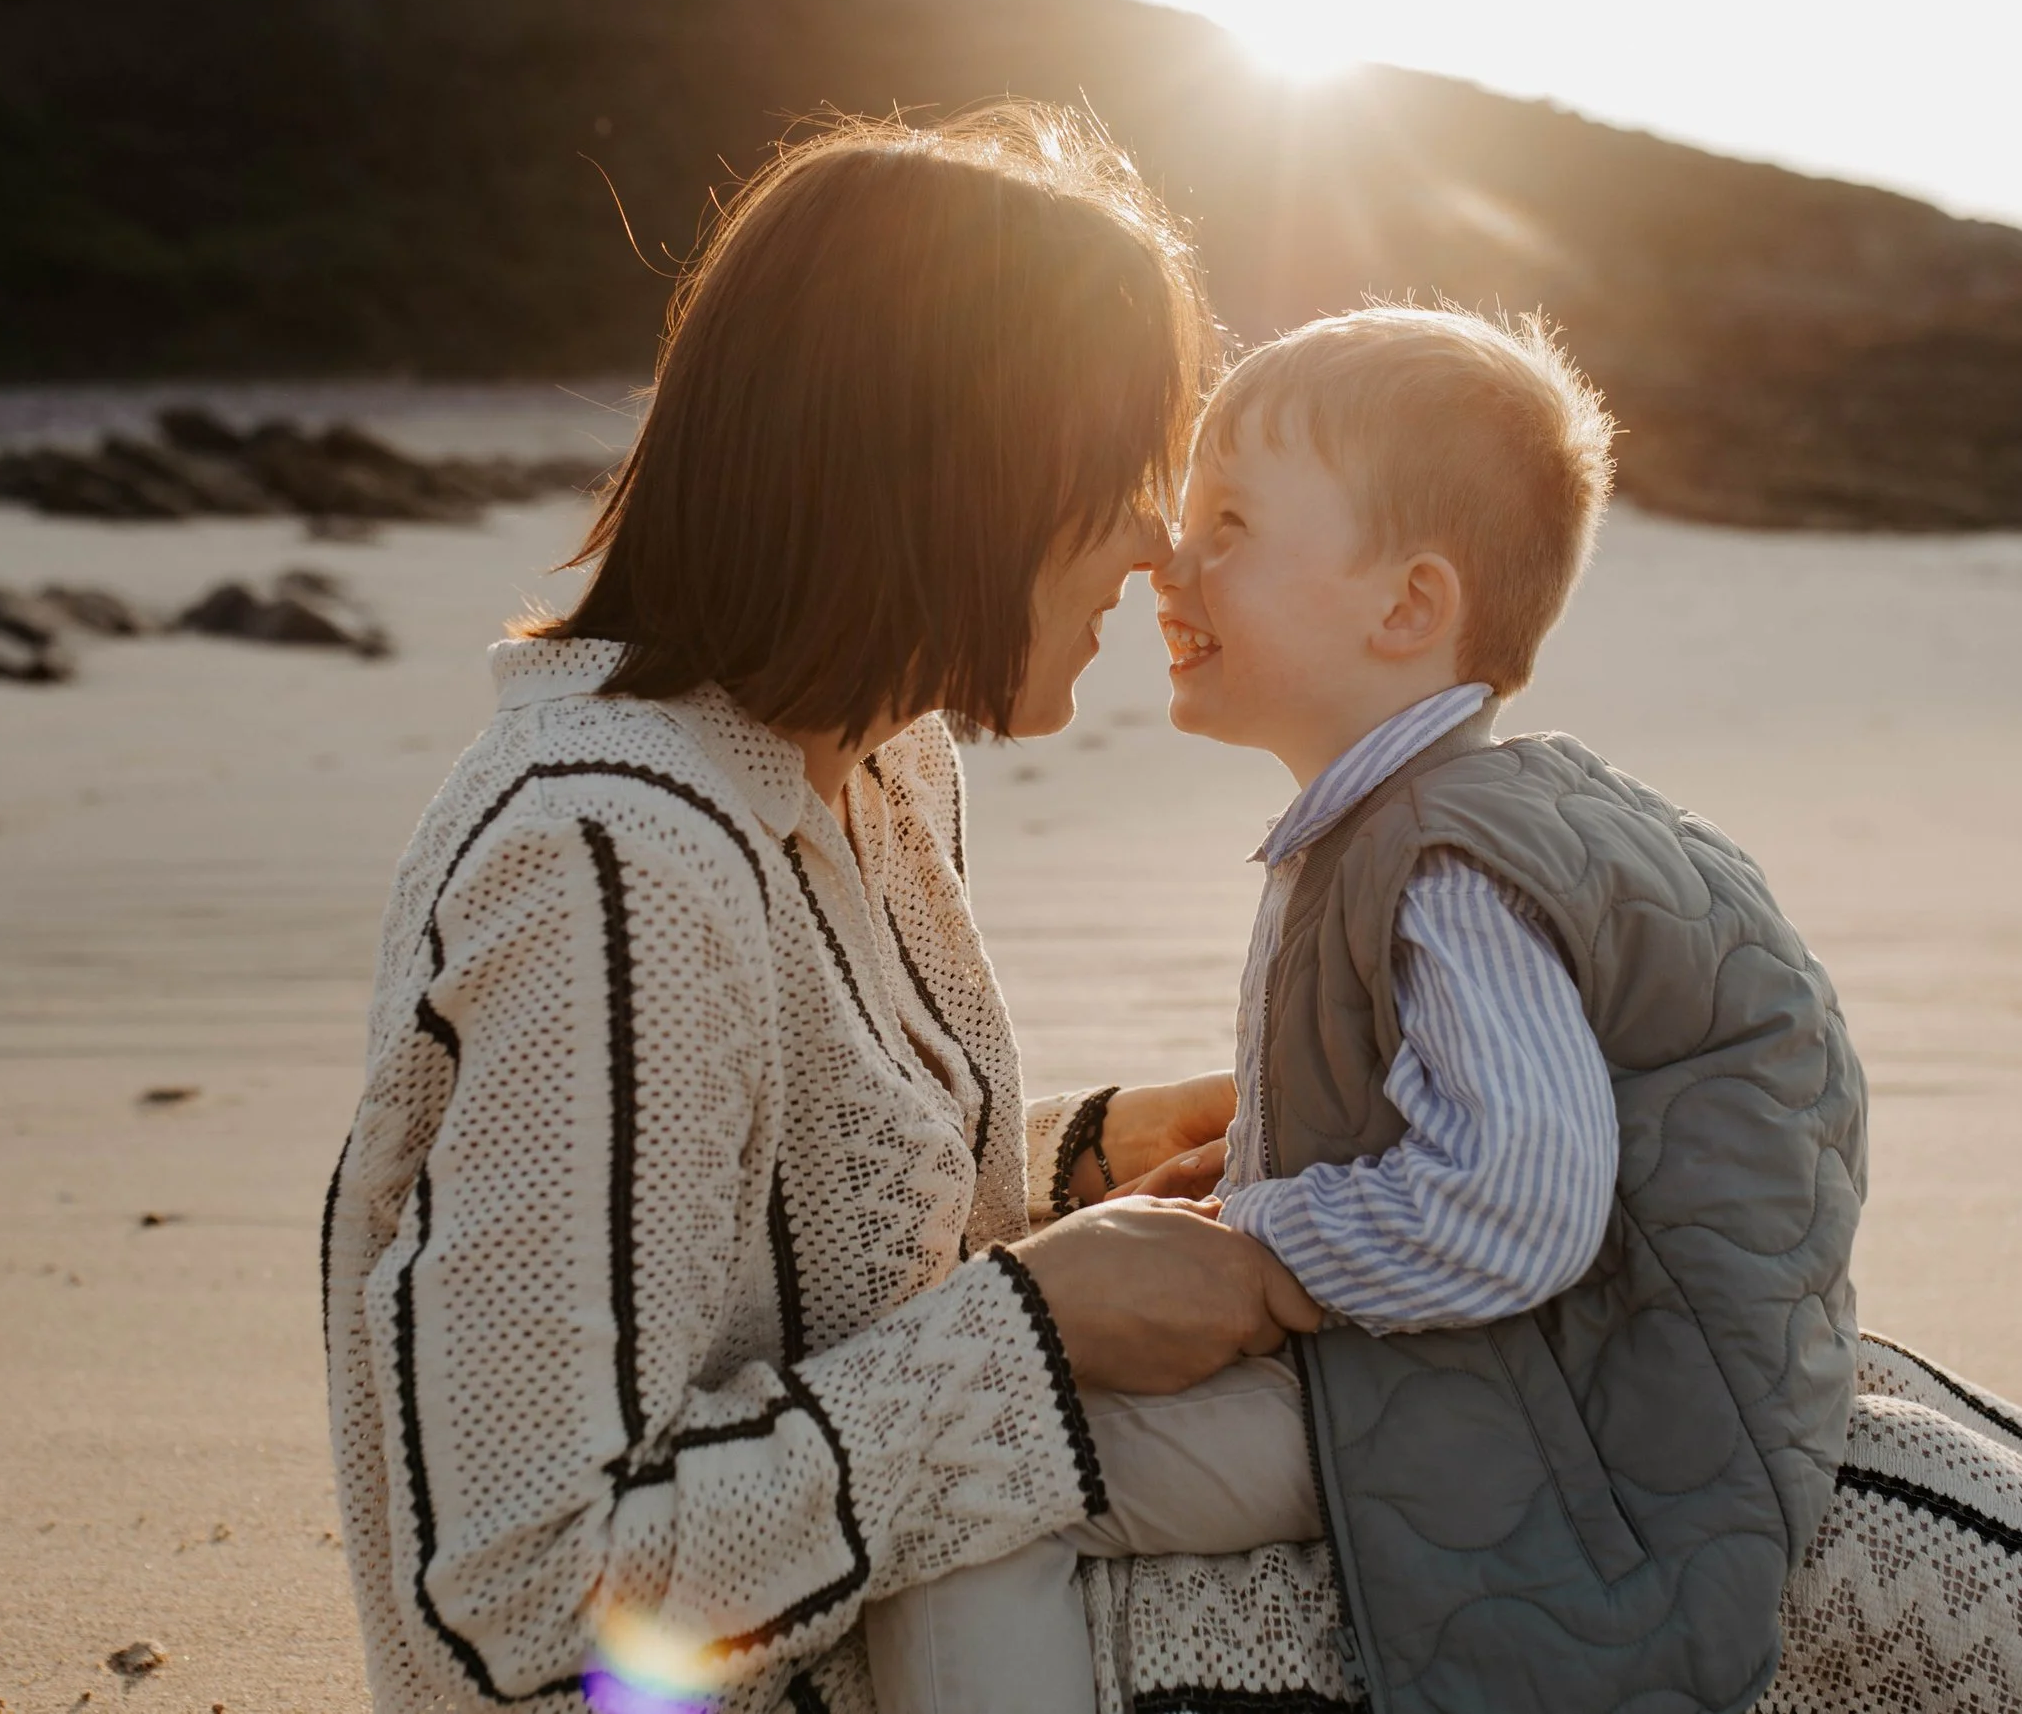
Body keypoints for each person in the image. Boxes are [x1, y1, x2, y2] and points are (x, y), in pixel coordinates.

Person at [869, 306, 2022, 1714]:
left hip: (1510, 1406)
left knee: (967, 1486)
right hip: (1462, 1365)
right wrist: (1251, 1184)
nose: (1168, 567)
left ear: (1410, 605)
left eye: (1231, 528)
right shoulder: (1396, 827)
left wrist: (1261, 1263)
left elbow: (1517, 1203)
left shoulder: (1446, 862)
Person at [319, 103, 1320, 1714]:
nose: (1154, 541)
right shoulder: (605, 863)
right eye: (1119, 465)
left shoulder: (885, 770)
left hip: (935, 1616)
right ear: (950, 467)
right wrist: (1041, 1332)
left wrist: (1085, 1165)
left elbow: (791, 1258)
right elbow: (513, 1605)